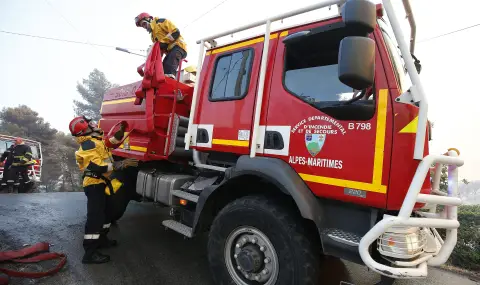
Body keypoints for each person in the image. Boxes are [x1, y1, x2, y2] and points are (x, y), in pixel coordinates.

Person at [69, 116, 137, 264]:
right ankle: (90, 253)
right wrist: (120, 165)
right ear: (84, 130)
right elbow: (97, 167)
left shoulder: (96, 141)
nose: (93, 124)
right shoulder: (88, 145)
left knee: (107, 213)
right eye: (89, 124)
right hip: (94, 183)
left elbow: (108, 145)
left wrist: (119, 135)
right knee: (95, 218)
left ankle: (102, 240)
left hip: (102, 182)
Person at [135, 12, 187, 78]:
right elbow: (159, 50)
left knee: (169, 66)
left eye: (144, 24)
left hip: (179, 47)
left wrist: (163, 42)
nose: (144, 27)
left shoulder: (161, 22)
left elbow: (175, 32)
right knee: (162, 68)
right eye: (143, 26)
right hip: (170, 52)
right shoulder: (153, 36)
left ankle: (169, 80)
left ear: (149, 19)